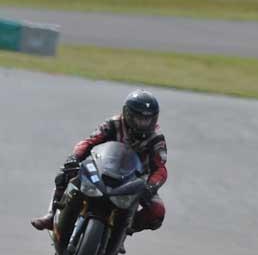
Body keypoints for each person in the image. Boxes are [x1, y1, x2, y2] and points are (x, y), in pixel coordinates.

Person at [31, 90, 168, 236]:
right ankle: (52, 214)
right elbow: (88, 142)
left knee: (157, 212)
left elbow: (160, 169)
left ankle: (124, 230)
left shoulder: (156, 139)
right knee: (64, 174)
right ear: (127, 114)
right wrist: (74, 158)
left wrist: (150, 187)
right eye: (138, 118)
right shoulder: (113, 123)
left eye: (146, 119)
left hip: (134, 181)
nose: (142, 123)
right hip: (104, 169)